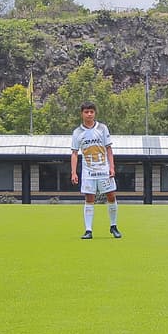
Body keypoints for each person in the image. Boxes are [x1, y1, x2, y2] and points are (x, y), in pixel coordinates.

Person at [70, 101, 121, 239]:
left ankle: (113, 226)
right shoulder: (77, 132)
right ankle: (88, 230)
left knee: (111, 195)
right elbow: (74, 153)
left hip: (104, 170)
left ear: (95, 113)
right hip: (88, 172)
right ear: (82, 114)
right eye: (86, 112)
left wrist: (112, 167)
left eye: (91, 112)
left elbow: (109, 149)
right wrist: (74, 172)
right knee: (89, 198)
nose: (89, 114)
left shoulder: (102, 128)